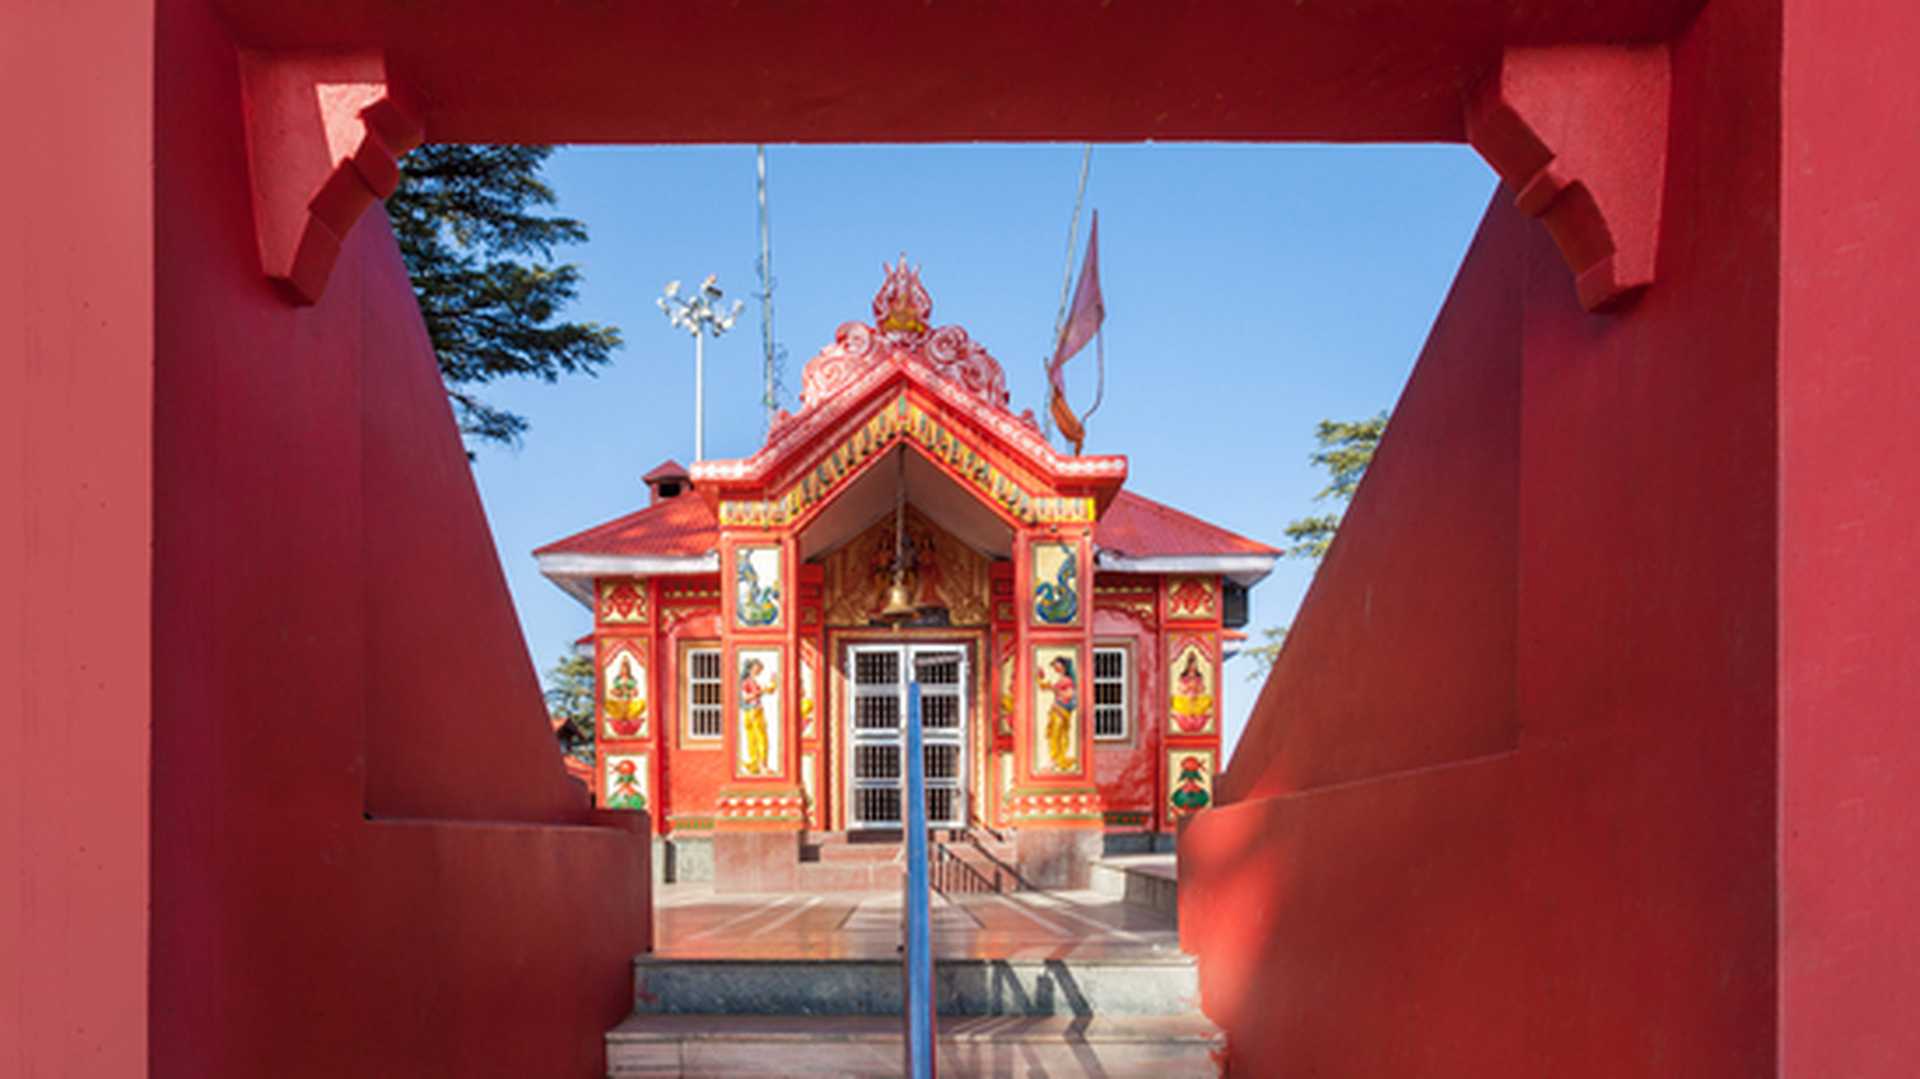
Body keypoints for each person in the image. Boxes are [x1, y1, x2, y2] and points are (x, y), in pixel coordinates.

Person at [1036, 655, 1079, 773]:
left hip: (1061, 711)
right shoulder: (1062, 679)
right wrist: (1039, 678)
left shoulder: (1068, 680)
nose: (1055, 667)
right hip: (1057, 711)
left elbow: (1069, 695)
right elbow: (1045, 688)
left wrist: (1056, 691)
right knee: (1054, 735)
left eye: (1056, 664)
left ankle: (1056, 760)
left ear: (1063, 666)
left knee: (1058, 735)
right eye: (1054, 665)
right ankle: (1055, 760)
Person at [740, 658, 776, 775]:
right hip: (754, 711)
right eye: (758, 668)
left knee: (754, 738)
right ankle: (761, 765)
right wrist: (762, 691)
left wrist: (770, 685)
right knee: (760, 738)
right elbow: (745, 697)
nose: (760, 670)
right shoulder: (747, 681)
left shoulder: (751, 681)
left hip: (751, 712)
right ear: (752, 668)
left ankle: (756, 764)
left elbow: (767, 691)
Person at [1170, 653, 1214, 733]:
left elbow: (1202, 688)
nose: (1193, 667)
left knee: (1208, 700)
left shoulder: (1199, 676)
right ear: (1188, 664)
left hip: (1196, 700)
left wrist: (1196, 689)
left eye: (1195, 664)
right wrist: (1188, 688)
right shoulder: (1183, 676)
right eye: (1191, 664)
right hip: (1185, 700)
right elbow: (1180, 688)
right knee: (1175, 701)